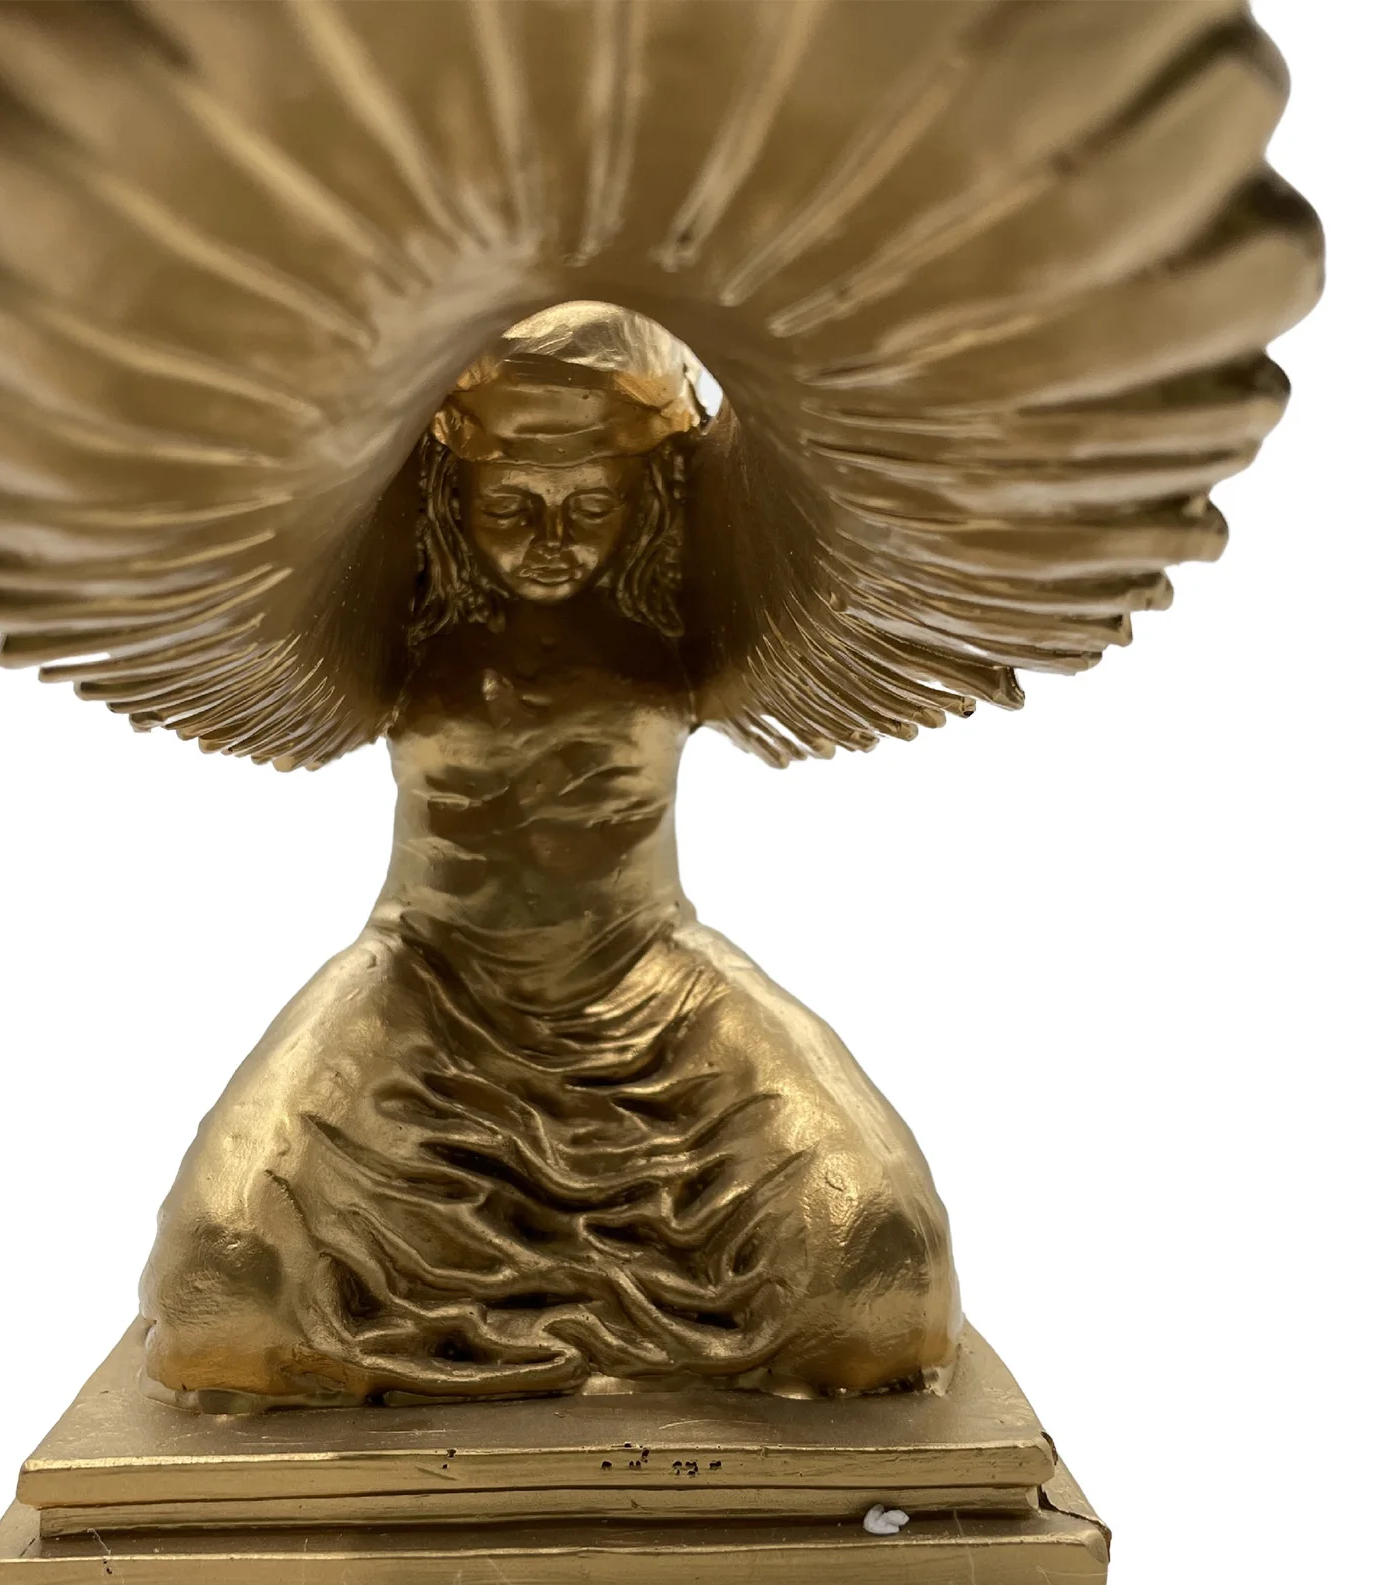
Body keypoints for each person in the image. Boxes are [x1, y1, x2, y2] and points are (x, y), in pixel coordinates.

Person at [139, 305, 960, 1407]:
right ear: (447, 496)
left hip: (649, 978)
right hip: (424, 974)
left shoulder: (692, 614)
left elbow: (879, 504)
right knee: (221, 1291)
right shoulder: (395, 617)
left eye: (592, 507)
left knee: (881, 1269)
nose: (552, 541)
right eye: (509, 507)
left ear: (650, 499)